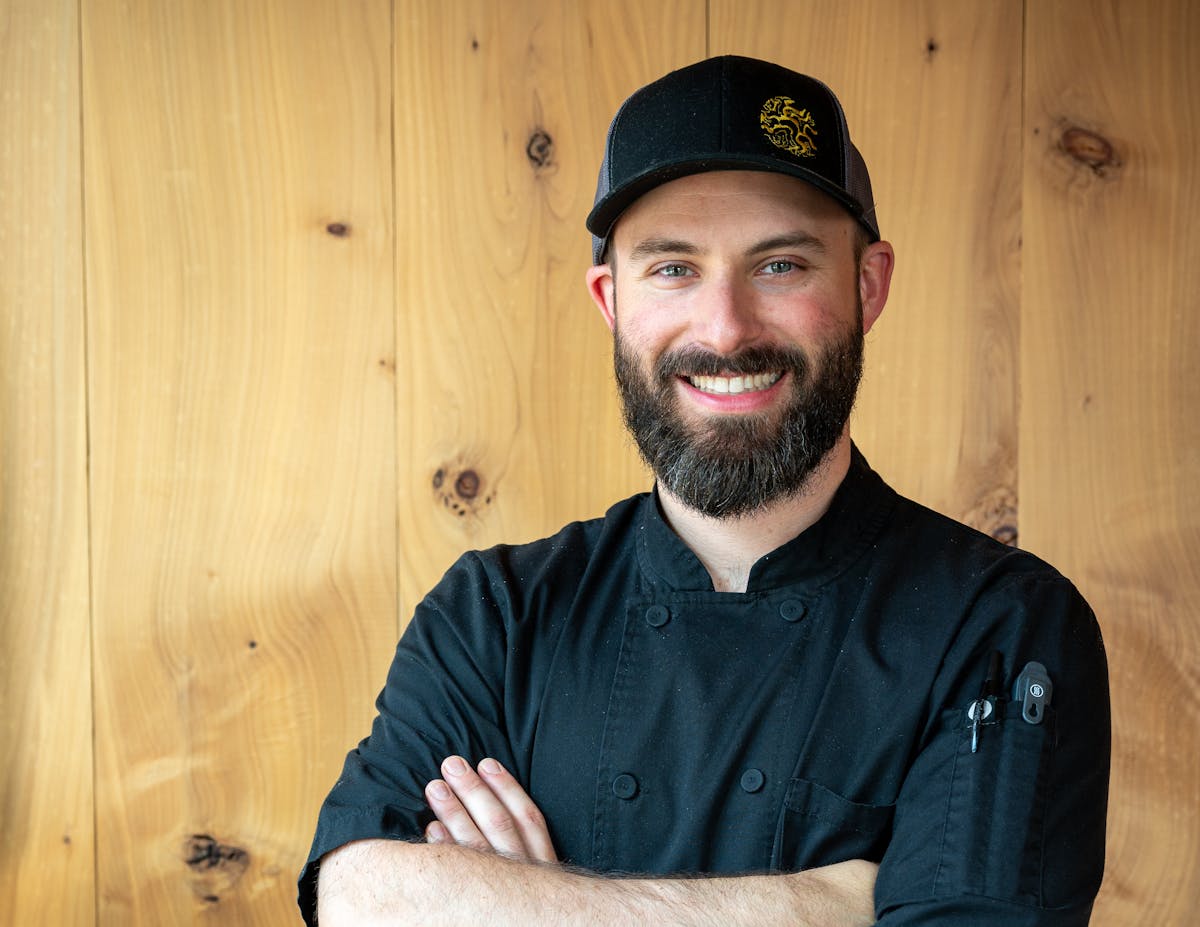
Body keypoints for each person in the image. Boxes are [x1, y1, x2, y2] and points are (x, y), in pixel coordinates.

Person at [301, 55, 1110, 926]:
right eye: (673, 268)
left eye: (781, 265)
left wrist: (517, 902)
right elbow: (363, 893)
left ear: (867, 284)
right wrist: (817, 903)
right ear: (611, 300)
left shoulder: (1001, 627)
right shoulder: (496, 616)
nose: (726, 329)